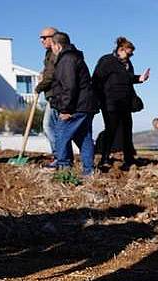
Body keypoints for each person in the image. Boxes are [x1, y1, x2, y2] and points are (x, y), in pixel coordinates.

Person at [92, 36, 150, 171]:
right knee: (111, 130)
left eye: (131, 54)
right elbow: (96, 80)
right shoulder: (107, 61)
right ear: (121, 49)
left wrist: (139, 78)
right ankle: (105, 159)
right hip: (110, 103)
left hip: (125, 103)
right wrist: (99, 99)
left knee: (127, 130)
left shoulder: (128, 64)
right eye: (129, 53)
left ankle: (129, 159)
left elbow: (128, 79)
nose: (130, 56)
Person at [49, 32, 98, 176]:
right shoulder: (74, 57)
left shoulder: (67, 60)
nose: (51, 49)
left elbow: (69, 86)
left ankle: (64, 169)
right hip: (85, 105)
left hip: (77, 106)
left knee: (61, 133)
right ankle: (89, 171)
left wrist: (65, 109)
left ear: (57, 46)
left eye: (52, 45)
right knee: (83, 137)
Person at [34, 26, 63, 167]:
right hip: (53, 95)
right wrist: (42, 74)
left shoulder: (55, 53)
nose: (41, 40)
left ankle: (60, 156)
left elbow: (52, 75)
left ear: (53, 37)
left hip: (57, 96)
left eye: (44, 37)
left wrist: (39, 87)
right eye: (40, 38)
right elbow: (48, 71)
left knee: (48, 126)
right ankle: (62, 155)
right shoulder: (49, 54)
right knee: (58, 128)